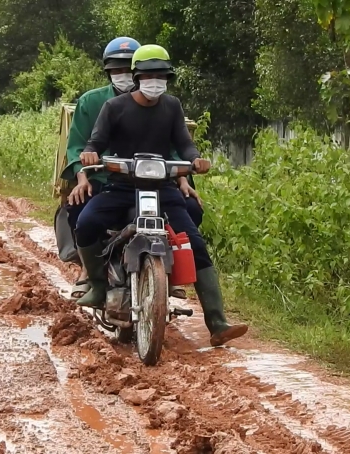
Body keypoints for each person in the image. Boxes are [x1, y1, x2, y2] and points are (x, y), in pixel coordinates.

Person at [73, 44, 248, 347]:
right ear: (137, 76)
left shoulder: (172, 106)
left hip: (162, 189)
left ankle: (217, 321)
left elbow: (184, 142)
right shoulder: (114, 108)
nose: (156, 81)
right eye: (149, 75)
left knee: (194, 241)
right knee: (87, 222)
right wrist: (90, 155)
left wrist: (196, 159)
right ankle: (98, 285)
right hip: (122, 187)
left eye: (162, 75)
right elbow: (95, 142)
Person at [59, 37, 203, 300]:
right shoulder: (98, 103)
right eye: (117, 70)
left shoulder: (167, 105)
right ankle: (90, 273)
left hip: (154, 178)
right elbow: (81, 145)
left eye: (129, 69)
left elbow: (175, 146)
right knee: (81, 211)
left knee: (191, 209)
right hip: (105, 178)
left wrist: (183, 179)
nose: (124, 75)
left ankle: (171, 270)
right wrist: (83, 176)